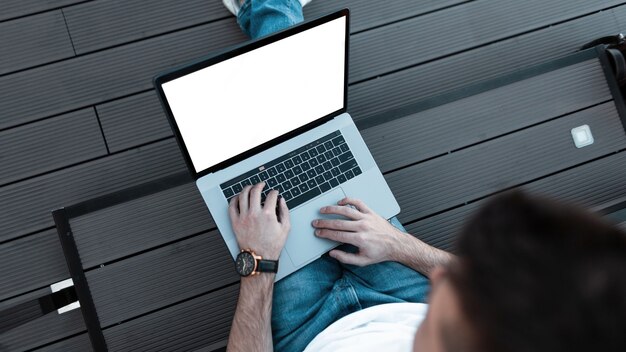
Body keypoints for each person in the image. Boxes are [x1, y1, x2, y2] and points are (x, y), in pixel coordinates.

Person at [222, 2, 626, 351]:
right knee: (315, 139)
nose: (453, 286)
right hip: (403, 292)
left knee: (278, 144)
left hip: (305, 332)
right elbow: (487, 283)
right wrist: (397, 244)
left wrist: (257, 264)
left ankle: (270, 8)